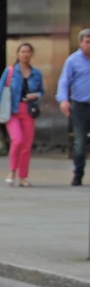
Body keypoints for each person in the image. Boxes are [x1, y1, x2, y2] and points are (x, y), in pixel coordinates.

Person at [0, 42, 44, 187]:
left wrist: (36, 95)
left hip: (28, 110)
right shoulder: (10, 72)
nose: (25, 54)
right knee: (17, 140)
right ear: (18, 54)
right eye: (22, 51)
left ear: (31, 54)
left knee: (26, 145)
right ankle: (12, 171)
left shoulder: (36, 73)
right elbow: (1, 90)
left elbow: (41, 91)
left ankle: (23, 177)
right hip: (12, 111)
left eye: (28, 52)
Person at [56, 28, 90, 186]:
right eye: (88, 42)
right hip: (80, 106)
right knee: (80, 141)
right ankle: (78, 174)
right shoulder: (72, 60)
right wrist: (63, 100)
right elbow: (64, 81)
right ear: (81, 43)